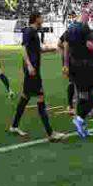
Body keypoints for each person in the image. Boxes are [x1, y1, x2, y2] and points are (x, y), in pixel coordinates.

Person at [9, 12, 63, 141]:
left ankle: (14, 126)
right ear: (36, 19)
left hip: (33, 70)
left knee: (25, 97)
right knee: (40, 98)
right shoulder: (29, 31)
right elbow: (23, 48)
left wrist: (50, 49)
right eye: (41, 18)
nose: (43, 20)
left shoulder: (34, 32)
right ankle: (51, 134)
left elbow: (36, 50)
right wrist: (29, 65)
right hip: (32, 71)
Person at [63, 12, 93, 139]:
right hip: (85, 67)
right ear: (85, 19)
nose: (88, 19)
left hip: (74, 67)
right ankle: (79, 119)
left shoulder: (69, 29)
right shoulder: (84, 28)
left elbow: (65, 46)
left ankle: (81, 125)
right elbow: (88, 44)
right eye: (88, 17)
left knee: (83, 96)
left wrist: (66, 64)